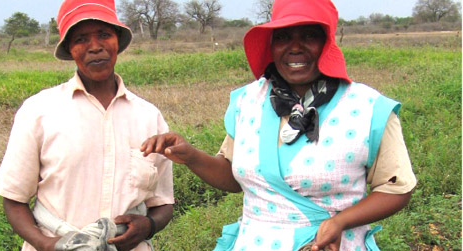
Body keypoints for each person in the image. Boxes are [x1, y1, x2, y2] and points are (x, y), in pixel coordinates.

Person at [140, 0, 416, 250]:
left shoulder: (368, 108)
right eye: (283, 37)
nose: (295, 46)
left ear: (327, 42)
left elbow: (397, 187)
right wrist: (191, 157)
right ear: (271, 45)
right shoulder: (248, 102)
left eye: (309, 34)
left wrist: (340, 222)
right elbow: (233, 176)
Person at [0, 0, 174, 250]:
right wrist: (47, 245)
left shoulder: (148, 116)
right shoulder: (39, 111)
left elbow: (163, 203)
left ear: (117, 41)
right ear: (69, 49)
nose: (95, 47)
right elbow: (14, 200)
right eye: (81, 39)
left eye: (103, 35)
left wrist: (148, 226)